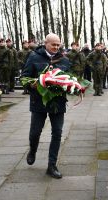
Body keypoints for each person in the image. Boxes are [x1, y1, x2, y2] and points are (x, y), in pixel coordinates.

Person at [21, 33, 71, 179]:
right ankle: (33, 150)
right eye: (53, 44)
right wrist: (32, 85)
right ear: (46, 43)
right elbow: (24, 77)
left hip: (58, 102)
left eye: (58, 45)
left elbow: (69, 77)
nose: (56, 47)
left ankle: (52, 165)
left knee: (57, 132)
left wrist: (71, 86)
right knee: (35, 133)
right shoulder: (34, 57)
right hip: (39, 101)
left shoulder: (65, 60)